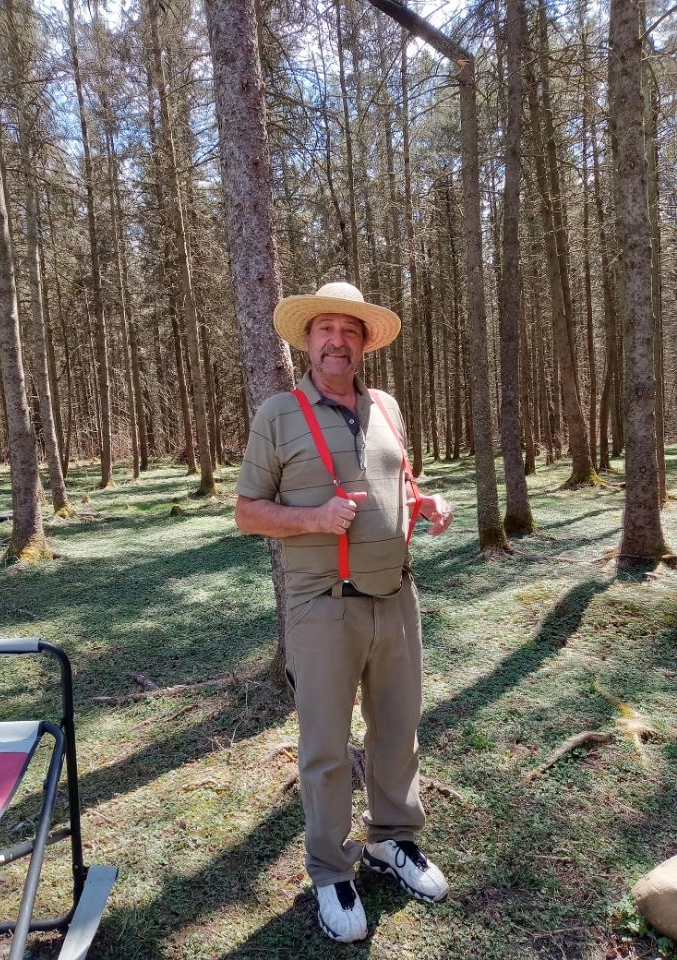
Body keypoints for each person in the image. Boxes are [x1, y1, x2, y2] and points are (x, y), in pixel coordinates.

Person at [235, 281, 454, 943]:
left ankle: (393, 839)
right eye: (325, 330)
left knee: (396, 733)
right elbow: (248, 512)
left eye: (349, 331)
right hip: (323, 610)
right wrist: (312, 518)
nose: (337, 341)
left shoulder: (385, 406)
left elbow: (399, 482)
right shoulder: (278, 413)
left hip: (398, 598)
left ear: (363, 344)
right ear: (308, 341)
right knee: (326, 749)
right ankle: (331, 869)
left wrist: (423, 504)